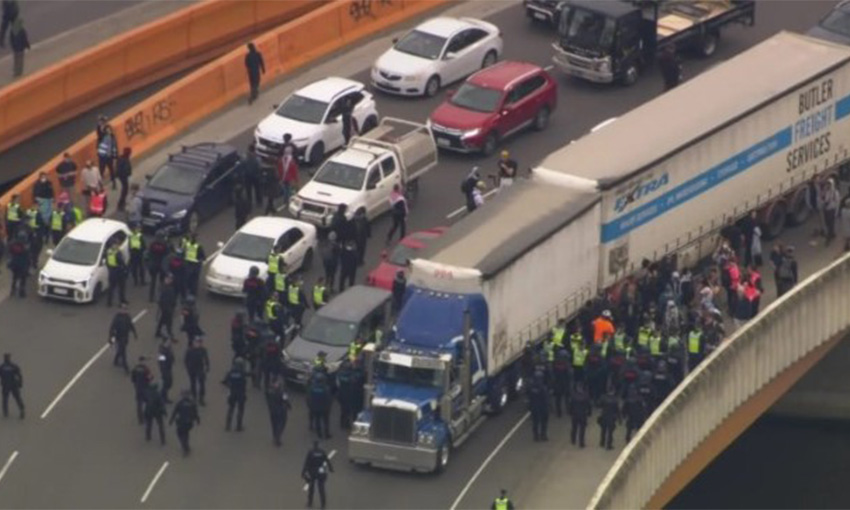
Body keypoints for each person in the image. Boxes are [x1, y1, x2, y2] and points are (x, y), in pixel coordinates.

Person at [302, 440, 334, 509]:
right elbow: (327, 460)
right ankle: (323, 504)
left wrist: (303, 472)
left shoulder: (310, 452)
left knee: (311, 488)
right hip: (321, 471)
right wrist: (331, 468)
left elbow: (306, 462)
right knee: (321, 488)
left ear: (314, 445)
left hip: (312, 471)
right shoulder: (322, 452)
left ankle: (310, 503)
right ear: (319, 445)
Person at [109, 302, 137, 374]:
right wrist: (110, 338)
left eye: (126, 309)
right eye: (123, 309)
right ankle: (126, 368)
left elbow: (131, 325)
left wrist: (134, 333)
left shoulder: (127, 316)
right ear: (120, 309)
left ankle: (115, 360)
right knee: (123, 353)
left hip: (125, 336)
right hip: (119, 337)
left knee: (121, 350)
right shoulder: (117, 318)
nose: (125, 310)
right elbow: (112, 328)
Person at [169, 391, 200, 456]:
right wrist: (198, 420)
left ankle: (185, 447)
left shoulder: (180, 403)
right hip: (189, 423)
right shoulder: (192, 403)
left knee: (180, 434)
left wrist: (171, 421)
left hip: (181, 422)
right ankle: (186, 446)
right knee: (186, 433)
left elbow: (174, 412)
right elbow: (196, 413)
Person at [224, 358, 248, 432]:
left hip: (232, 392)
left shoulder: (230, 372)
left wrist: (229, 386)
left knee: (231, 409)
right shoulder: (242, 373)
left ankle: (228, 425)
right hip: (241, 393)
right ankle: (238, 426)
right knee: (240, 409)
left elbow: (225, 381)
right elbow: (244, 383)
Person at [266, 378, 292, 447]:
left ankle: (275, 436)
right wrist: (289, 406)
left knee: (274, 424)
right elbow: (286, 400)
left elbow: (268, 400)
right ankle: (277, 437)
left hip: (272, 410)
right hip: (281, 410)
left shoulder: (269, 392)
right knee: (281, 424)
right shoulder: (282, 392)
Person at [184, 337, 210, 406]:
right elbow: (186, 360)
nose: (198, 343)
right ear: (193, 342)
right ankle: (194, 397)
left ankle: (201, 398)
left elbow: (206, 358)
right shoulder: (189, 350)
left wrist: (207, 367)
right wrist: (188, 368)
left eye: (200, 342)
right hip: (192, 369)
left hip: (200, 368)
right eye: (197, 342)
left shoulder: (203, 350)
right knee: (193, 383)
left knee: (202, 384)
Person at [307, 369, 332, 439]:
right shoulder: (326, 389)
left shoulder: (312, 388)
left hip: (315, 408)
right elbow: (329, 399)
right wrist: (329, 407)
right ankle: (326, 434)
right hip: (324, 408)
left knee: (317, 421)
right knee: (326, 421)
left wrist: (310, 406)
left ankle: (319, 434)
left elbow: (309, 398)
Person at [146, 232, 169, 302]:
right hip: (161, 265)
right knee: (162, 282)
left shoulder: (152, 244)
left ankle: (151, 297)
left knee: (153, 281)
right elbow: (167, 253)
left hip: (153, 264)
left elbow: (149, 252)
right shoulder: (164, 244)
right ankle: (161, 297)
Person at [0, 353, 24, 419]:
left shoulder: (2, 367)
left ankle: (5, 412)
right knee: (17, 398)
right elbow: (19, 375)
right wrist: (20, 383)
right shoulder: (13, 366)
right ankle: (21, 409)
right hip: (14, 385)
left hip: (5, 385)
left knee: (5, 399)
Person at [130, 357, 153, 424]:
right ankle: (146, 416)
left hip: (138, 388)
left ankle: (140, 419)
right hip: (145, 388)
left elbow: (133, 379)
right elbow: (150, 378)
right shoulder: (146, 369)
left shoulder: (135, 369)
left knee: (139, 404)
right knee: (147, 402)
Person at [182, 233, 205, 297]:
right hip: (195, 265)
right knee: (194, 280)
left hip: (187, 264)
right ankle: (193, 294)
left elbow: (184, 252)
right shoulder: (198, 246)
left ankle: (185, 293)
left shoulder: (187, 244)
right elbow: (203, 257)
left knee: (186, 279)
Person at [527, 372, 549, 441]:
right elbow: (545, 399)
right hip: (542, 407)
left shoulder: (531, 387)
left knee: (535, 422)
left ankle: (536, 436)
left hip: (534, 407)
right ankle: (543, 435)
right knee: (543, 422)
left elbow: (529, 397)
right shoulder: (543, 388)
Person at [105, 239, 127, 306]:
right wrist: (125, 268)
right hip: (118, 270)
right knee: (121, 287)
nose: (118, 246)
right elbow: (121, 261)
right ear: (113, 245)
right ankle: (122, 301)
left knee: (111, 287)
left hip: (111, 270)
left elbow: (107, 261)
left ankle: (109, 302)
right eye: (116, 244)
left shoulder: (108, 251)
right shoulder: (117, 252)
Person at [155, 275, 178, 339]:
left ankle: (158, 332)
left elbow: (172, 298)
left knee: (162, 320)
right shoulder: (163, 287)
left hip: (168, 306)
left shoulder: (170, 287)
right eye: (167, 279)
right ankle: (169, 333)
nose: (169, 280)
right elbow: (160, 298)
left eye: (170, 279)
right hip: (165, 307)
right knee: (169, 321)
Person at [8, 231, 28, 298]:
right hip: (22, 265)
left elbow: (10, 252)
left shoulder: (13, 244)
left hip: (14, 264)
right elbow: (27, 257)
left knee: (14, 277)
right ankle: (21, 292)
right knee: (23, 279)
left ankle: (12, 290)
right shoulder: (25, 246)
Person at [822, 177, 840, 244]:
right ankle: (832, 233)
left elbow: (837, 202)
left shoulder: (835, 192)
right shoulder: (825, 191)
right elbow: (823, 198)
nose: (828, 185)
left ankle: (829, 237)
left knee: (830, 224)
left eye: (829, 184)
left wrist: (836, 212)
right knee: (827, 222)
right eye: (827, 184)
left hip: (831, 210)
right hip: (826, 209)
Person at [158, 339, 175, 404]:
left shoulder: (168, 348)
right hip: (165, 370)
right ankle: (163, 398)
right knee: (166, 384)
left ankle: (164, 397)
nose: (169, 343)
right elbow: (161, 362)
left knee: (168, 383)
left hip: (168, 368)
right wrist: (164, 371)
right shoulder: (162, 352)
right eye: (168, 342)